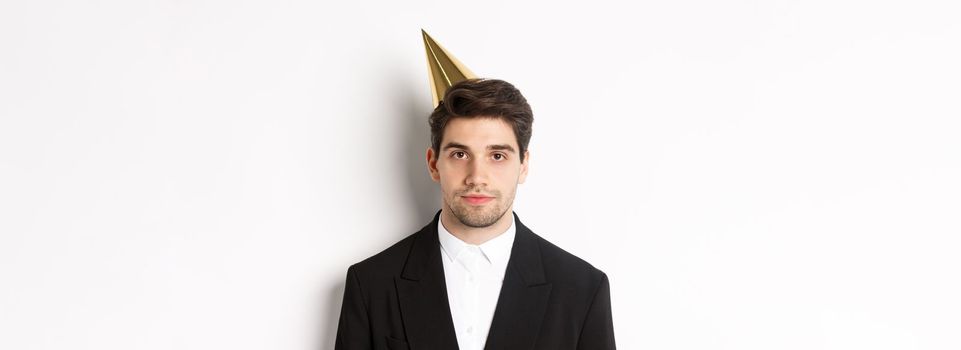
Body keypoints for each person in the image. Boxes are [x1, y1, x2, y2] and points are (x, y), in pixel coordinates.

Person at [334, 78, 616, 350]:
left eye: (497, 156)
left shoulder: (582, 290)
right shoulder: (371, 284)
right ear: (433, 164)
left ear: (523, 165)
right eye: (460, 154)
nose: (477, 177)